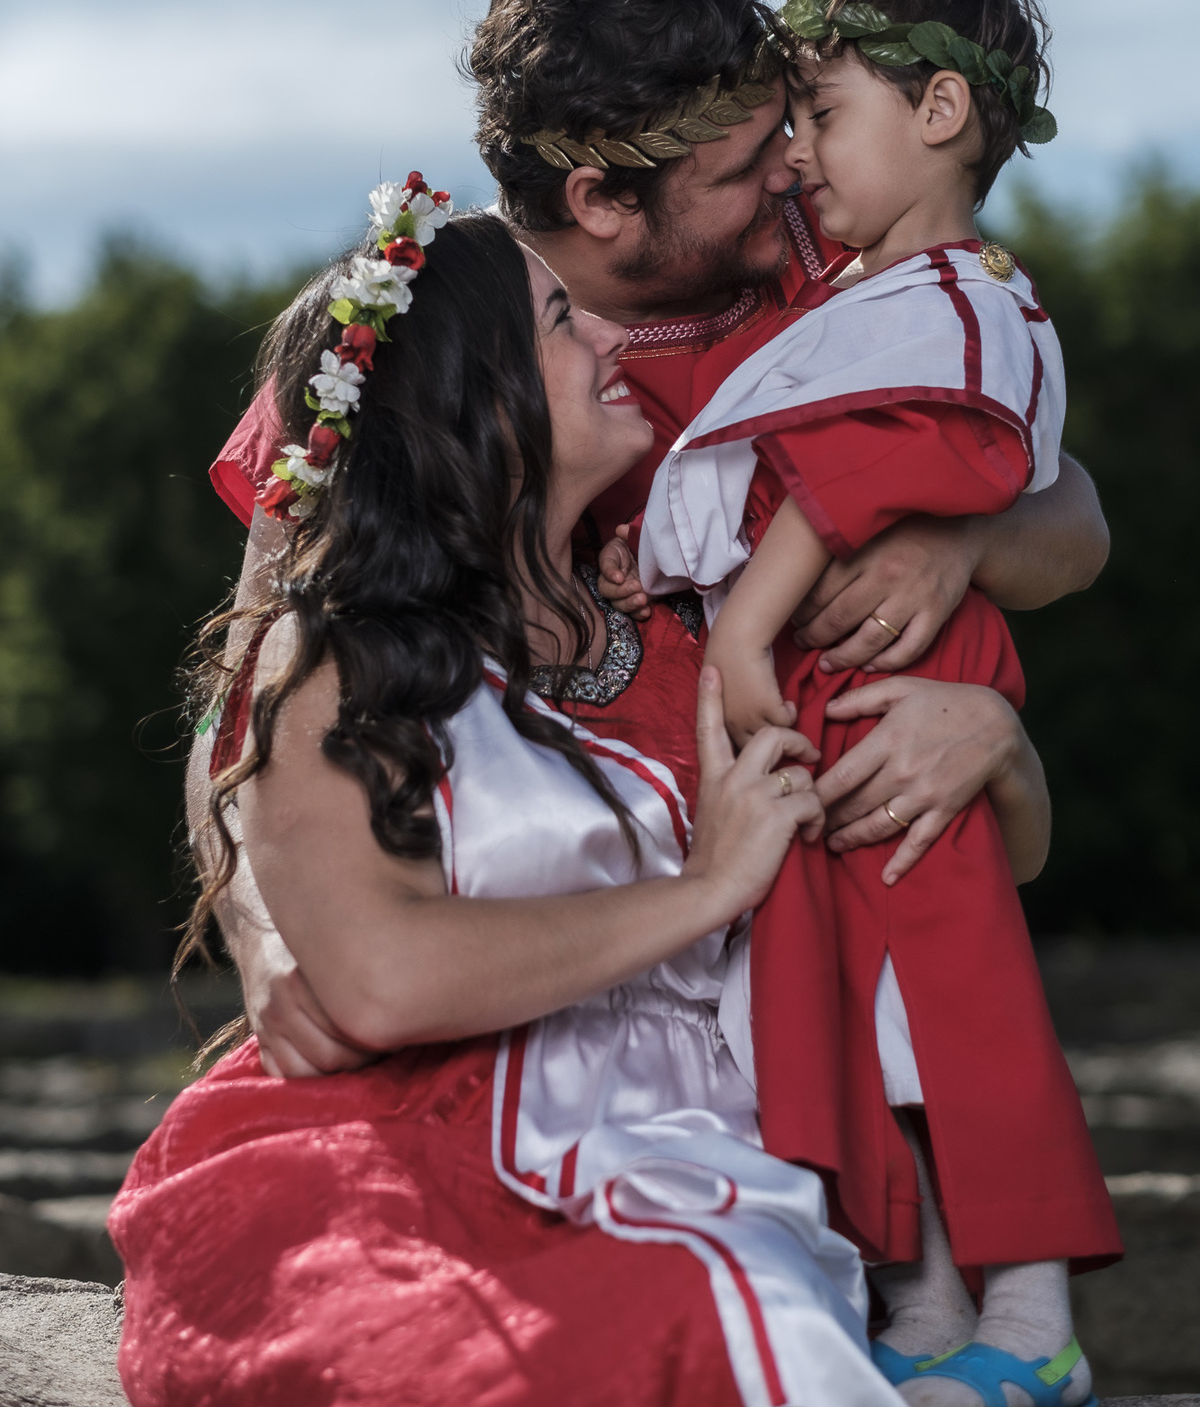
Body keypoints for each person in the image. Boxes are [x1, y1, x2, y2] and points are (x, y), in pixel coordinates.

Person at [113, 201, 1056, 1405]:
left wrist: (999, 748)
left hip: (695, 1150)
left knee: (717, 1299)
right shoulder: (359, 655)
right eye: (562, 321)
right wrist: (703, 890)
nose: (613, 339)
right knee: (553, 1337)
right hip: (393, 1146)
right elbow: (376, 974)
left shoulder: (708, 632)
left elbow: (952, 867)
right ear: (479, 393)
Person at [201, 0, 1108, 1091]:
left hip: (810, 876)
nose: (791, 166)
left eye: (792, 126)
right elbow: (255, 673)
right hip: (544, 916)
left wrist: (965, 533)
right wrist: (264, 930)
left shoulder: (833, 255)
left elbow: (1072, 514)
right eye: (742, 165)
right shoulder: (414, 334)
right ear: (600, 200)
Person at [614, 0, 1119, 1407]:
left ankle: (1033, 1328)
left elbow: (918, 474)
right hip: (799, 714)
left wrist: (774, 622)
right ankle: (927, 1302)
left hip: (878, 691)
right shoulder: (840, 283)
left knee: (951, 1007)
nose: (793, 159)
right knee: (844, 1013)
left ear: (944, 110)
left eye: (818, 116)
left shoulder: (953, 302)